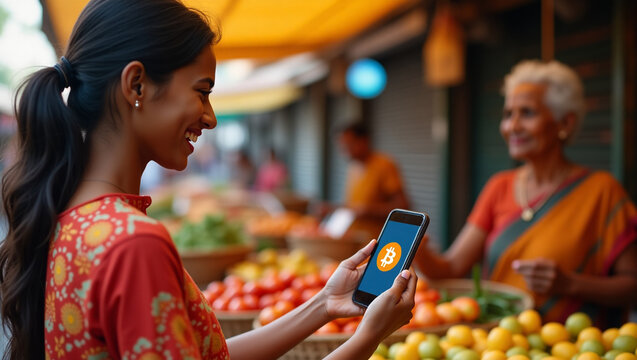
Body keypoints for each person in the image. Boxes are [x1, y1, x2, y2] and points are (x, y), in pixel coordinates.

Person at [0, 1, 417, 359]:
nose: (211, 117)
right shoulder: (134, 244)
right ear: (136, 84)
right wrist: (367, 339)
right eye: (202, 92)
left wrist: (324, 304)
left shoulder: (71, 217)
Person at [415, 60, 637, 326]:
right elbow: (449, 270)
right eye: (508, 114)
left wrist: (570, 284)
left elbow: (632, 286)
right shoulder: (499, 186)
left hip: (569, 346)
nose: (512, 126)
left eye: (527, 113)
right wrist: (417, 250)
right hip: (500, 343)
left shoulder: (602, 191)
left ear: (564, 122)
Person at [337, 122, 410, 238]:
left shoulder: (384, 165)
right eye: (342, 145)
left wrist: (368, 211)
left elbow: (403, 207)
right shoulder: (353, 168)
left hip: (378, 241)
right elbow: (352, 206)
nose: (345, 150)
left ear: (364, 141)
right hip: (355, 241)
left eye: (349, 144)